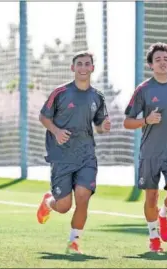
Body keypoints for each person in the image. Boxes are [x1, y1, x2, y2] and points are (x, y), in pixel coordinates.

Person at [36, 51, 111, 254]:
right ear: (73, 68)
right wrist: (57, 131)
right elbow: (43, 117)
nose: (83, 68)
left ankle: (74, 242)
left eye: (87, 64)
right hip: (61, 156)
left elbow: (99, 126)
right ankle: (48, 202)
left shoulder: (98, 97)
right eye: (79, 64)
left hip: (86, 155)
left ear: (92, 68)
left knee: (83, 196)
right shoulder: (60, 93)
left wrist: (104, 126)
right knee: (64, 206)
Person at [123, 42, 167, 252]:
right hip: (150, 153)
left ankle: (163, 216)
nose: (162, 63)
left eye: (165, 59)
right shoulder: (143, 90)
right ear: (151, 65)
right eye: (157, 60)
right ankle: (154, 238)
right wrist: (146, 120)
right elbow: (127, 122)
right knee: (151, 197)